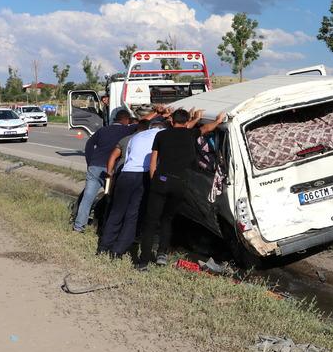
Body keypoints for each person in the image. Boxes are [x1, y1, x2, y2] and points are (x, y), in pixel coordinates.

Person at [136, 108, 226, 269]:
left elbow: (153, 161)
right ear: (186, 122)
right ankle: (162, 254)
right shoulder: (190, 134)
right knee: (168, 219)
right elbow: (205, 128)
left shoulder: (161, 135)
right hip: (180, 184)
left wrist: (153, 180)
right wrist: (218, 121)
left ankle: (143, 261)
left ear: (171, 121)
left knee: (151, 221)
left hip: (161, 181)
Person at [97, 119, 163, 258]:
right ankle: (118, 250)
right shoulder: (162, 134)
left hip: (126, 174)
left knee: (117, 211)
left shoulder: (136, 137)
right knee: (133, 215)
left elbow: (127, 157)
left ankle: (103, 247)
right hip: (142, 176)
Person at [73, 109, 134, 232]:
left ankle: (79, 226)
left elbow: (89, 144)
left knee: (88, 197)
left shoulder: (102, 130)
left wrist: (90, 162)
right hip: (110, 170)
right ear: (125, 120)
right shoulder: (127, 130)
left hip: (94, 167)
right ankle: (104, 227)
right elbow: (144, 124)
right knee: (111, 198)